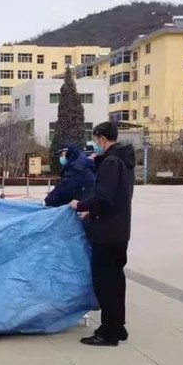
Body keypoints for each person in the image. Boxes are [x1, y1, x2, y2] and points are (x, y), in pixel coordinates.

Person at [70, 122, 135, 346]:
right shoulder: (125, 160)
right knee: (116, 281)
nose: (94, 143)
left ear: (102, 139)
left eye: (95, 139)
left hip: (106, 233)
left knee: (105, 283)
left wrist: (80, 205)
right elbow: (116, 198)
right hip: (119, 230)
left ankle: (108, 333)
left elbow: (104, 197)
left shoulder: (111, 162)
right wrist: (92, 212)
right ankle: (118, 326)